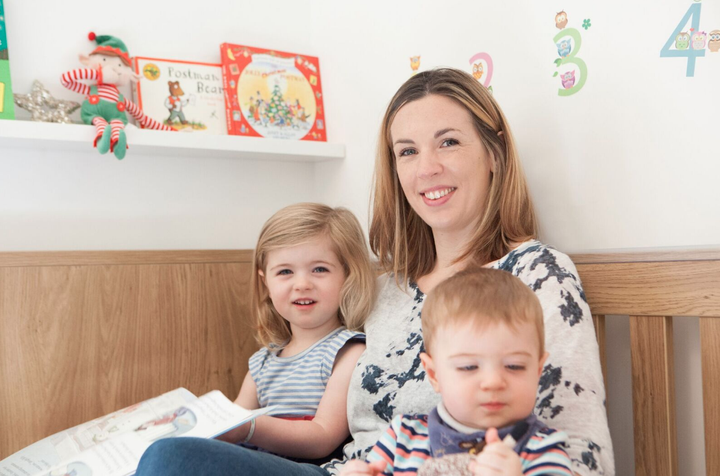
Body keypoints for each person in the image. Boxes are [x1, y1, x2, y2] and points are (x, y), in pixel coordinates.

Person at [136, 68, 613, 475]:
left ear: (493, 153)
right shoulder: (381, 288)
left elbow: (584, 455)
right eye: (407, 151)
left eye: (448, 142)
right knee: (164, 453)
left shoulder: (535, 274)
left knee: (170, 461)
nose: (427, 168)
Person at [340, 268, 573, 476]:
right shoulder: (402, 437)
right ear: (434, 375)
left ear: (538, 370)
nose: (493, 382)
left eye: (514, 366)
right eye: (469, 367)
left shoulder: (542, 449)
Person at [204, 203, 378, 461]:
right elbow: (229, 423)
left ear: (348, 275)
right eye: (285, 271)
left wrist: (250, 428)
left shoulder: (349, 352)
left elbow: (322, 436)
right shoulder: (262, 363)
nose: (302, 284)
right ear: (266, 282)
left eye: (319, 269)